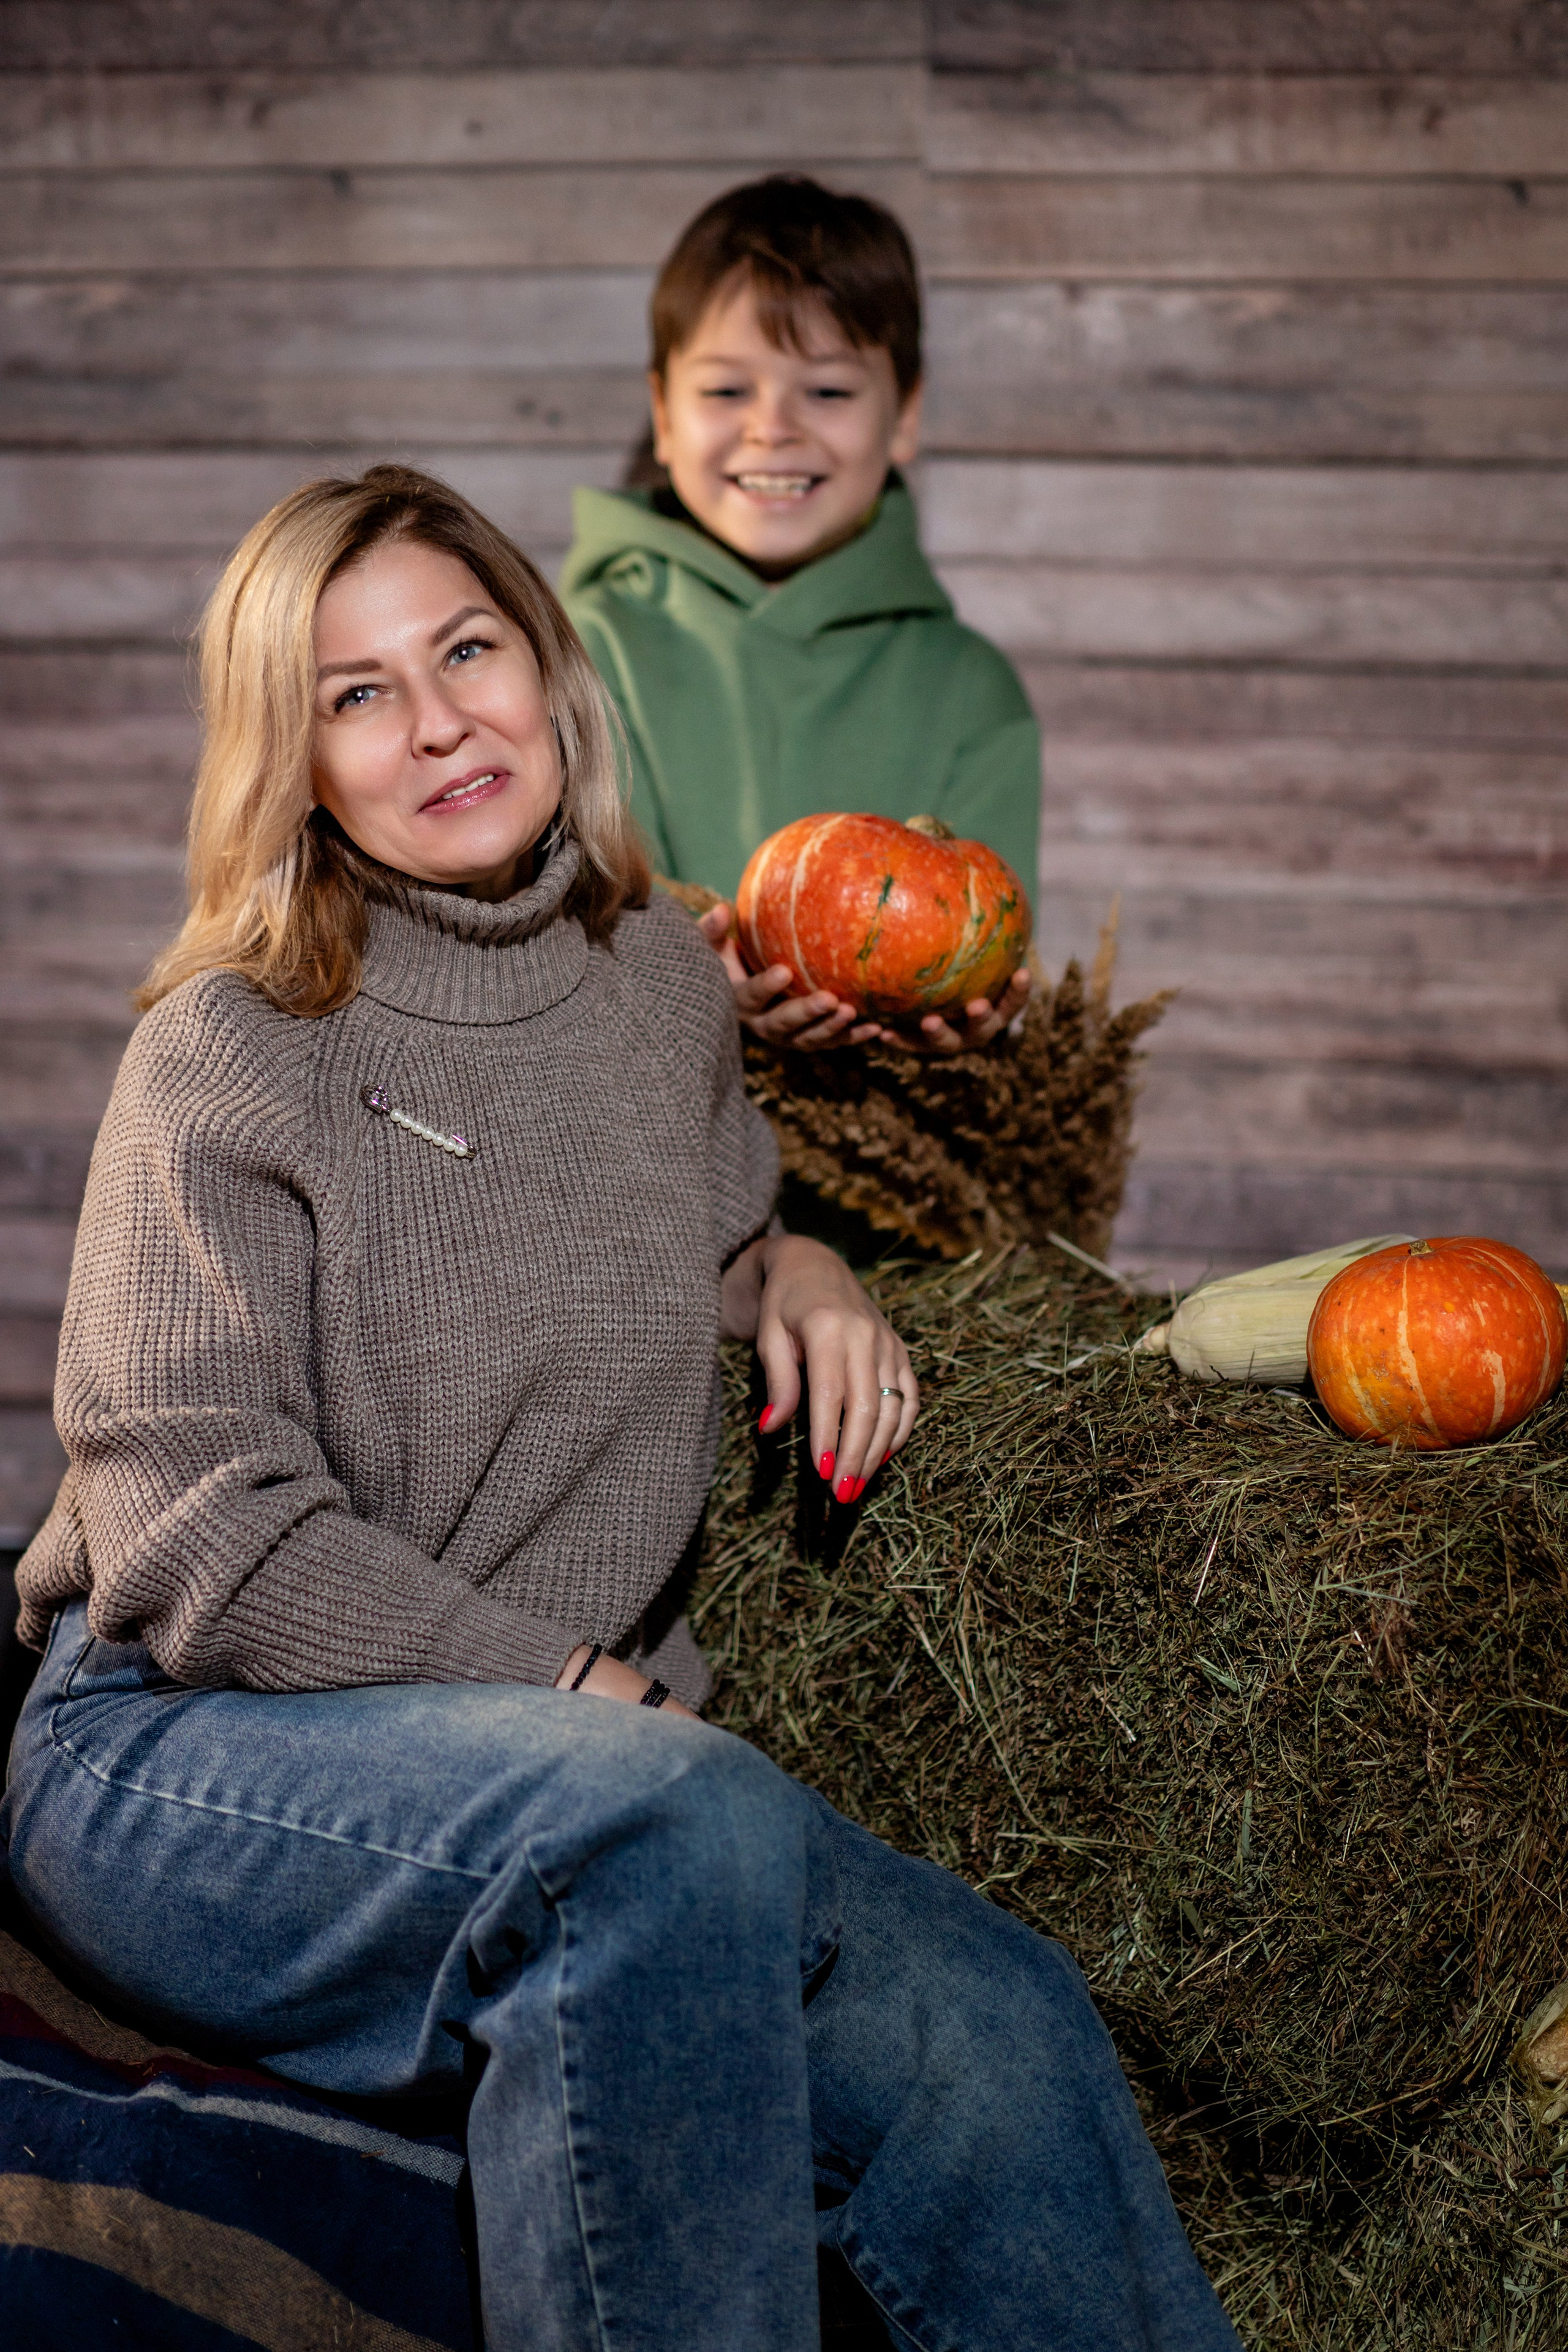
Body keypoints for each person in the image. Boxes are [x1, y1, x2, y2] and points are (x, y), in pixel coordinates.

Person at [1, 466, 1238, 2352]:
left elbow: (684, 1230)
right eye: (352, 694)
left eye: (466, 648)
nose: (434, 723)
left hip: (575, 1768)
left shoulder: (657, 977)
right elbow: (202, 1540)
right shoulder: (233, 1047)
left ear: (547, 665)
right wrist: (577, 1693)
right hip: (194, 1745)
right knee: (673, 1822)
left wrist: (802, 1271)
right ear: (294, 758)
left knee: (1003, 2015)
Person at [562, 175, 1039, 1060]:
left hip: (891, 1176)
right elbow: (571, 935)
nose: (773, 429)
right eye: (726, 392)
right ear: (663, 414)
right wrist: (702, 996)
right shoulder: (579, 649)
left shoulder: (973, 689)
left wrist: (962, 1026)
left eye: (827, 392)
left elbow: (986, 950)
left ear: (907, 415)